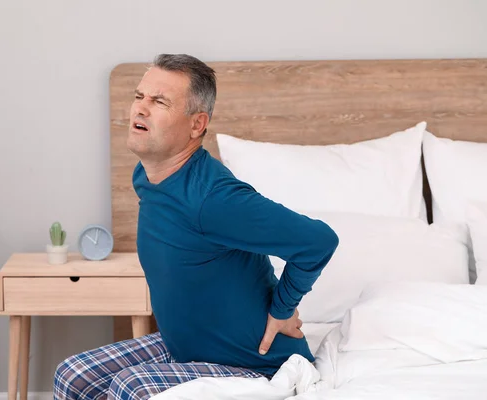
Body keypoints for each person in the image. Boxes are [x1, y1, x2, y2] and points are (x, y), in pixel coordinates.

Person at [54, 54, 339, 400]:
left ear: (196, 124)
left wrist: (282, 308)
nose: (140, 109)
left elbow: (318, 241)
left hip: (254, 364)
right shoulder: (146, 174)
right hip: (187, 348)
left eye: (159, 102)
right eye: (139, 96)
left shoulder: (214, 199)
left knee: (132, 388)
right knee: (73, 376)